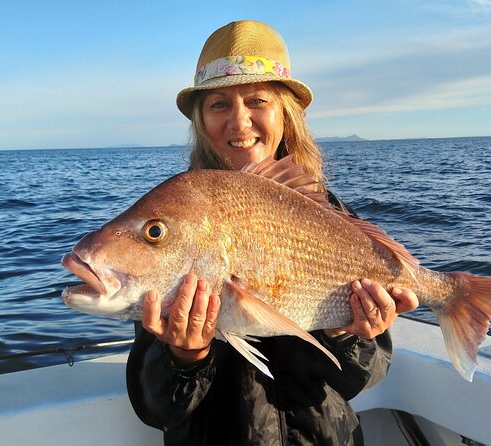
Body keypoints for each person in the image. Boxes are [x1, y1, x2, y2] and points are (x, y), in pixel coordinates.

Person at [126, 20, 419, 445]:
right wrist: (184, 357)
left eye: (257, 100)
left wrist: (348, 333)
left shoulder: (332, 215)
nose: (239, 122)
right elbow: (157, 408)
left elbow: (362, 378)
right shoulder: (179, 216)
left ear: (286, 112)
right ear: (200, 119)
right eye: (219, 105)